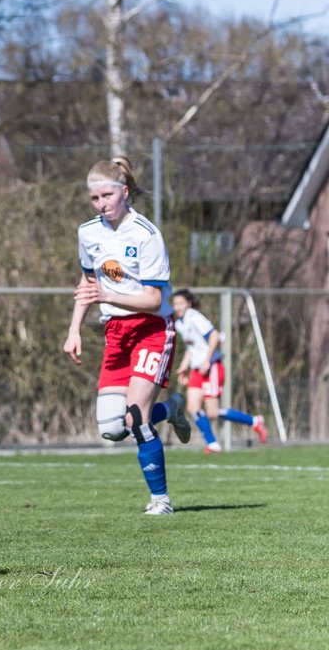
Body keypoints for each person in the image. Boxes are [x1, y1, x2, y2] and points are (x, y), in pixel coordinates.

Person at [64, 157, 193, 516]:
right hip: (115, 332)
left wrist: (108, 296)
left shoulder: (147, 235)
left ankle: (160, 500)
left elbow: (153, 300)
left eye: (107, 195)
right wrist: (74, 329)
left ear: (125, 192)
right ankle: (174, 408)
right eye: (94, 198)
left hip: (152, 329)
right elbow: (88, 283)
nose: (101, 204)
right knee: (111, 429)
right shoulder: (88, 233)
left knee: (136, 417)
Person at [170, 288, 268, 453]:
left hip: (211, 367)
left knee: (213, 412)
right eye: (175, 304)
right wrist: (183, 366)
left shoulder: (194, 316)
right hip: (196, 369)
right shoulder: (180, 322)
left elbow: (214, 335)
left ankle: (254, 421)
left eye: (180, 303)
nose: (177, 306)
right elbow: (192, 347)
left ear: (188, 303)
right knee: (193, 407)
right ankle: (212, 443)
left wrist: (207, 360)